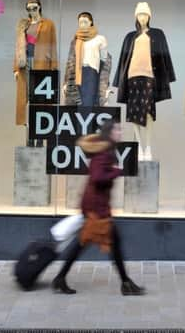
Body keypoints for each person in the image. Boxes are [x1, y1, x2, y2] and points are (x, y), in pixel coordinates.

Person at [52, 119, 145, 296]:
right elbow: (97, 177)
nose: (120, 133)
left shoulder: (105, 150)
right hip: (97, 209)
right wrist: (116, 171)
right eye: (117, 130)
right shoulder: (105, 153)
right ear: (110, 132)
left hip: (95, 206)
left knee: (88, 243)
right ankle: (125, 283)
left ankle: (61, 278)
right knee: (94, 243)